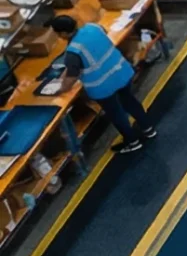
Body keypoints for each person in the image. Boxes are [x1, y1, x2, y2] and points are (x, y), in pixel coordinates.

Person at [50, 14, 153, 154]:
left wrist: (60, 89)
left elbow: (72, 77)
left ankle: (132, 142)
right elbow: (97, 45)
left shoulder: (73, 52)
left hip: (103, 86)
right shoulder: (93, 27)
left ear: (62, 33)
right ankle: (148, 129)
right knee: (130, 101)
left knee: (116, 114)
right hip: (120, 72)